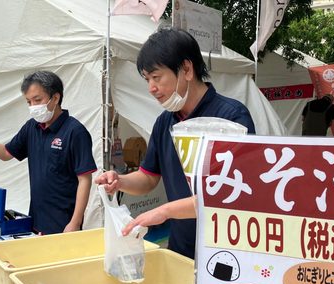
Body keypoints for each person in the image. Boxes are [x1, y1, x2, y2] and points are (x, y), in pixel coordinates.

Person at [95, 27, 255, 259]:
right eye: (147, 79)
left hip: (226, 250)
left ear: (186, 69)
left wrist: (165, 211)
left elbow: (228, 195)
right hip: (181, 248)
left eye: (156, 77)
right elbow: (148, 177)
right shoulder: (165, 122)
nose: (151, 88)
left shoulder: (231, 118)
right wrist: (119, 181)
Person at [0, 71, 97, 234]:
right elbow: (5, 153)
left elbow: (84, 179)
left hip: (64, 223)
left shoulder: (75, 132)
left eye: (38, 100)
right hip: (36, 219)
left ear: (55, 98)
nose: (33, 107)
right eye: (29, 102)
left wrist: (75, 222)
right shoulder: (32, 127)